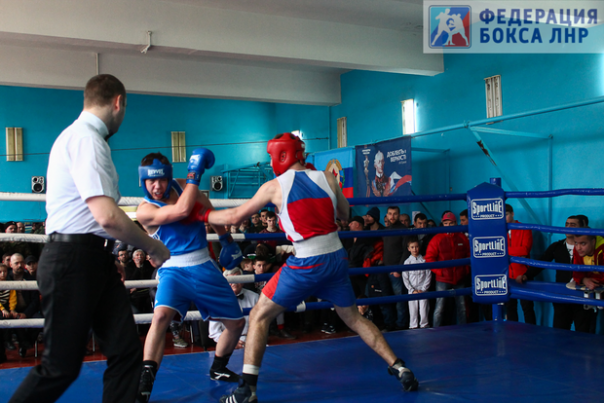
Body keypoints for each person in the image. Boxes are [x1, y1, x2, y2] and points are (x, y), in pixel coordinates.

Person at [198, 133, 418, 402]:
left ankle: (247, 391)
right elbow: (346, 215)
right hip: (336, 257)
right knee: (354, 318)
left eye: (272, 156)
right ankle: (400, 367)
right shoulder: (327, 178)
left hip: (307, 261)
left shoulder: (275, 186)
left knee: (258, 315)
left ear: (281, 155)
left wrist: (201, 212)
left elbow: (233, 216)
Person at [9, 74, 170, 403]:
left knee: (126, 351)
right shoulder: (86, 139)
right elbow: (107, 216)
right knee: (60, 367)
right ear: (118, 103)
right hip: (73, 261)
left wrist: (105, 255)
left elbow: (94, 219)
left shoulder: (82, 138)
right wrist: (152, 246)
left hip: (91, 259)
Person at [135, 150, 245, 403]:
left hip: (203, 264)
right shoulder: (145, 210)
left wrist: (226, 239)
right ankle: (144, 383)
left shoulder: (185, 187)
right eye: (151, 181)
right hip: (172, 269)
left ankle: (219, 366)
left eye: (161, 179)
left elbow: (208, 208)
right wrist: (195, 173)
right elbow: (182, 211)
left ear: (168, 177)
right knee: (160, 317)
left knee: (237, 324)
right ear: (142, 181)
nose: (157, 186)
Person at [425, 212, 470, 327]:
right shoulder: (437, 239)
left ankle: (464, 330)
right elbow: (429, 259)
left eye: (451, 223)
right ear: (443, 224)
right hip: (443, 279)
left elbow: (469, 256)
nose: (448, 225)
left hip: (459, 277)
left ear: (455, 223)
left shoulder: (462, 238)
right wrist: (441, 272)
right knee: (439, 308)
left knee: (462, 307)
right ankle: (435, 331)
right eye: (446, 223)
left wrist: (464, 270)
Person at [209, 268, 260, 348]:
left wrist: (248, 340)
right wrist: (230, 343)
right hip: (226, 343)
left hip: (251, 341)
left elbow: (260, 324)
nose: (234, 283)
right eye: (231, 280)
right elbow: (214, 332)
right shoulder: (217, 301)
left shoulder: (255, 297)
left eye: (237, 279)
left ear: (243, 282)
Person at [505, 204, 536, 324]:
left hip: (523, 274)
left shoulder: (524, 228)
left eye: (506, 214)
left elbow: (524, 251)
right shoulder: (499, 230)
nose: (503, 218)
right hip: (507, 275)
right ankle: (512, 333)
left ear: (512, 214)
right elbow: (496, 252)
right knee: (510, 308)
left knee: (527, 307)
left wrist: (504, 251)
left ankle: (531, 332)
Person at [402, 238, 430, 329]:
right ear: (408, 249)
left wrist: (423, 289)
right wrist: (412, 290)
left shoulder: (424, 261)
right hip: (412, 290)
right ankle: (413, 327)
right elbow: (405, 278)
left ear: (419, 247)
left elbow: (428, 275)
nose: (415, 249)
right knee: (413, 311)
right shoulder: (407, 262)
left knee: (424, 310)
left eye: (416, 247)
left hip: (423, 289)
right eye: (412, 247)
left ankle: (424, 326)